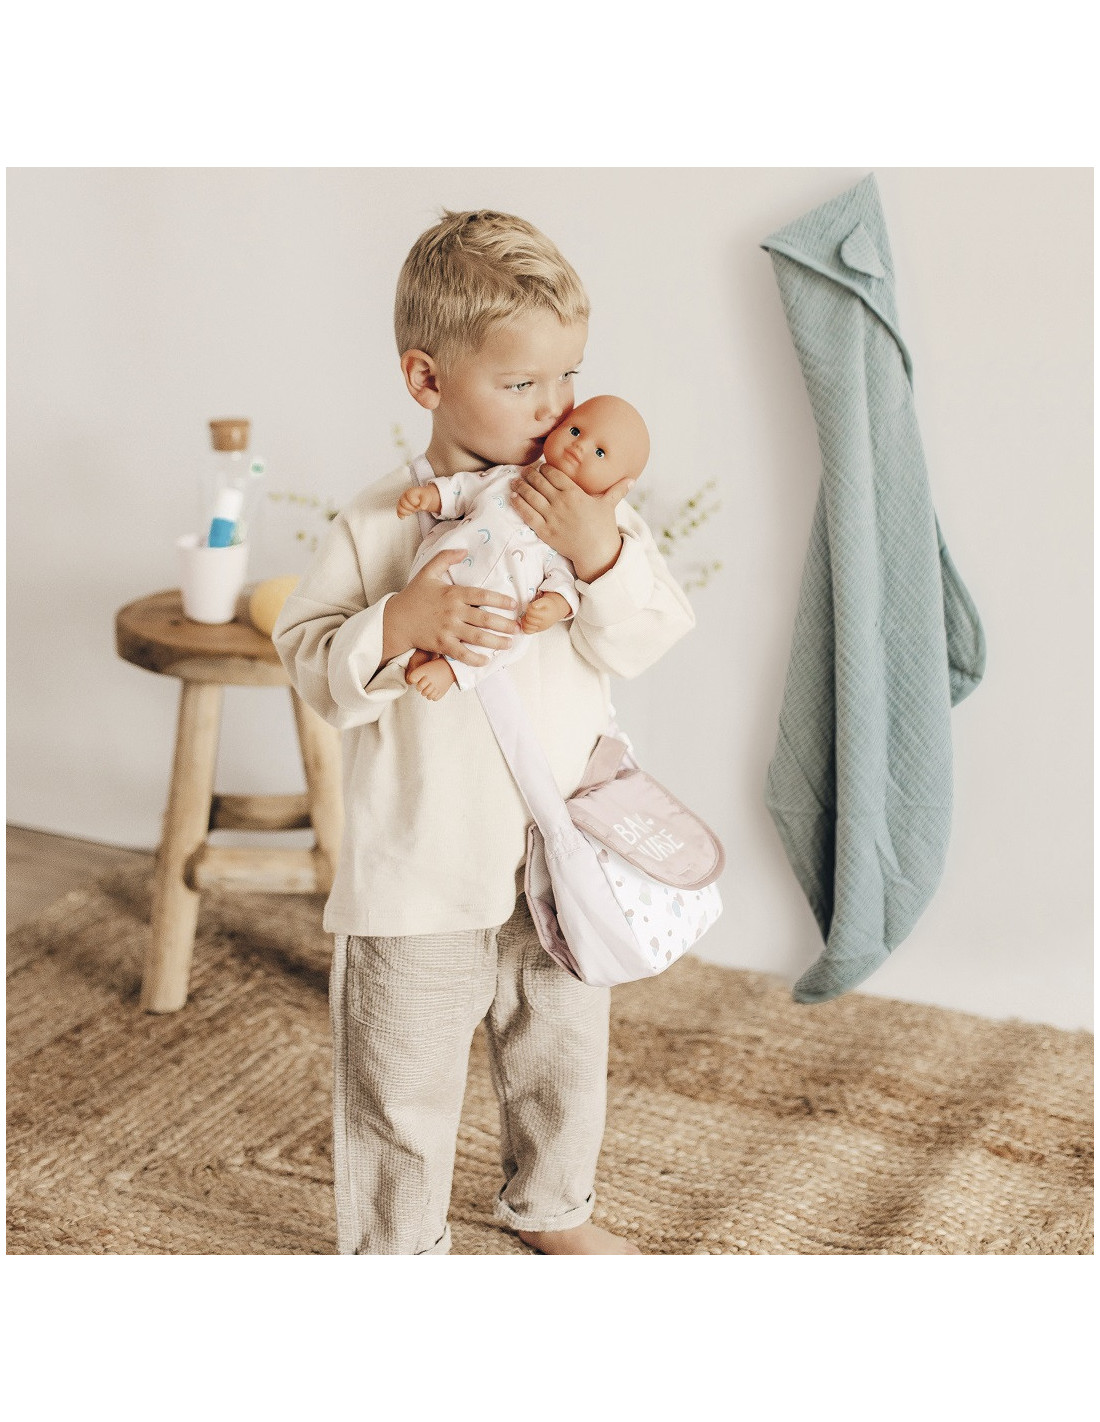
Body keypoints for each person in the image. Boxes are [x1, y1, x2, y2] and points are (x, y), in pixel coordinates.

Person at [273, 208, 695, 1255]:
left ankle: (553, 1208)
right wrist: (396, 623)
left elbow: (645, 635)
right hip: (422, 863)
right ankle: (398, 1248)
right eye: (522, 384)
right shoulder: (379, 522)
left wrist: (597, 554)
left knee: (561, 1053)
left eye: (568, 377)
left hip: (560, 850)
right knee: (400, 1077)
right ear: (427, 380)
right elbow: (312, 663)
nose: (556, 410)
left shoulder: (588, 511)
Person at [396, 394, 651, 700]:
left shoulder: (587, 533)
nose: (580, 446)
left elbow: (565, 579)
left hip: (502, 601)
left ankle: (451, 670)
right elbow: (468, 488)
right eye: (574, 431)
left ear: (618, 485)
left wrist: (554, 606)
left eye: (599, 452)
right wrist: (432, 496)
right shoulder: (513, 475)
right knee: (428, 573)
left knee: (503, 635)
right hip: (453, 562)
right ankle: (420, 649)